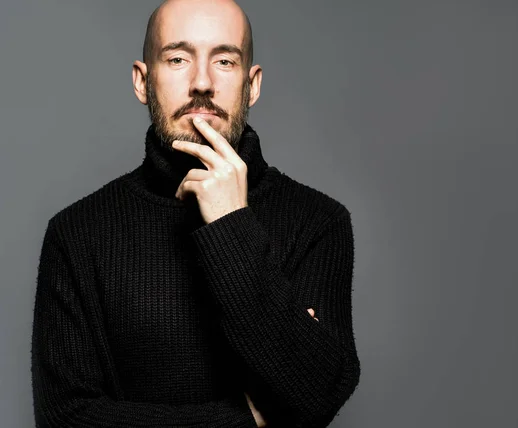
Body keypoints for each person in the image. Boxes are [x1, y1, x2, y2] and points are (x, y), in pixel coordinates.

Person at [31, 0, 360, 426]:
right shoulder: (77, 232)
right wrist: (243, 418)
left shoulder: (318, 221)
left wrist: (231, 226)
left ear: (251, 85)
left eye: (224, 60)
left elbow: (316, 394)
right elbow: (66, 419)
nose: (201, 82)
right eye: (178, 58)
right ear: (143, 82)